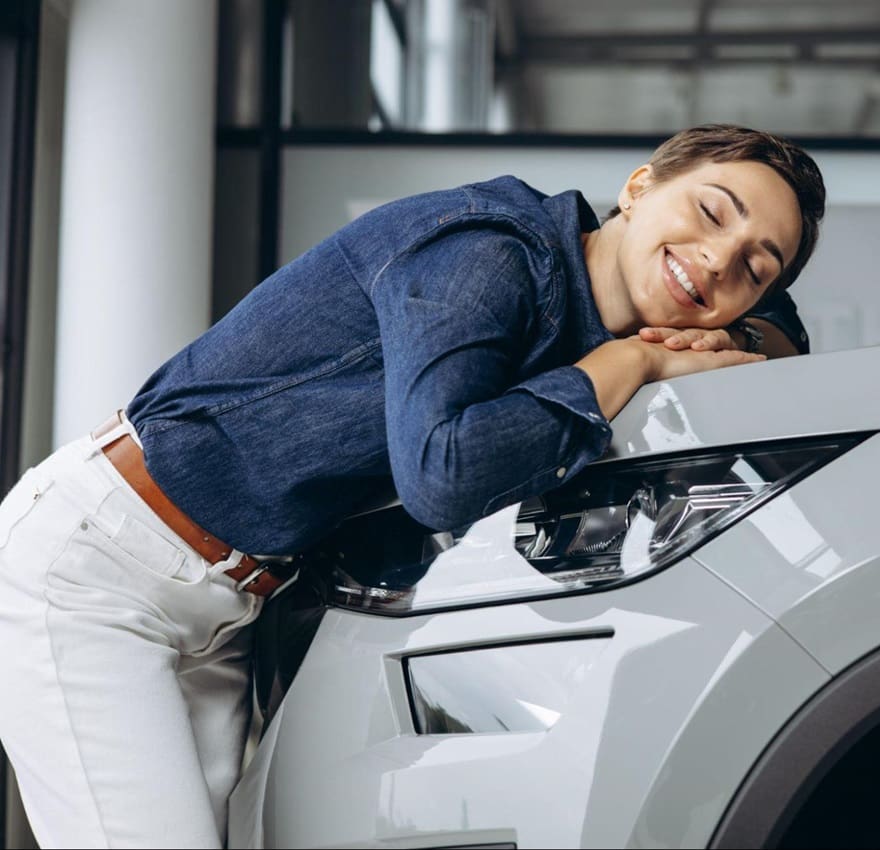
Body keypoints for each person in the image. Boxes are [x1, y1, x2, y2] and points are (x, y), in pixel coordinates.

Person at [0, 123, 825, 848]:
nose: (718, 259)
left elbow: (785, 339)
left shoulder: (607, 311)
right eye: (711, 212)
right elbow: (442, 472)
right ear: (639, 187)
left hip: (227, 605)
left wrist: (739, 337)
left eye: (756, 267)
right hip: (100, 567)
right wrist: (633, 359)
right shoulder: (489, 250)